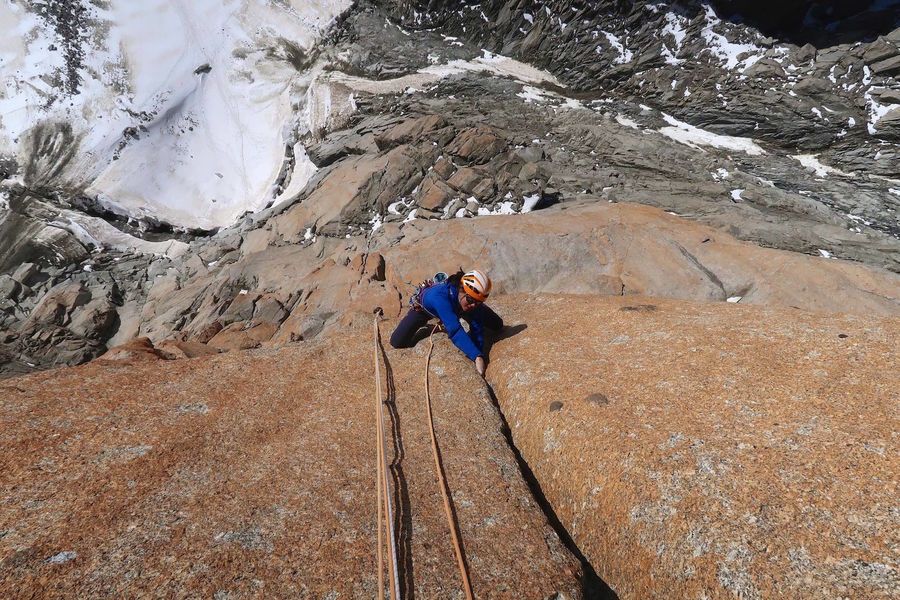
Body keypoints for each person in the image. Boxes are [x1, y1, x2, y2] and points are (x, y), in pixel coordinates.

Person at [390, 269, 502, 376]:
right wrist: (476, 356)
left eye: (478, 302)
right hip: (424, 311)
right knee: (397, 341)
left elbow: (477, 327)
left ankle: (472, 304)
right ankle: (429, 327)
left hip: (458, 306)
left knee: (497, 324)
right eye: (471, 300)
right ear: (461, 289)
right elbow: (455, 330)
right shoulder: (439, 298)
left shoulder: (470, 302)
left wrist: (478, 352)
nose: (473, 305)